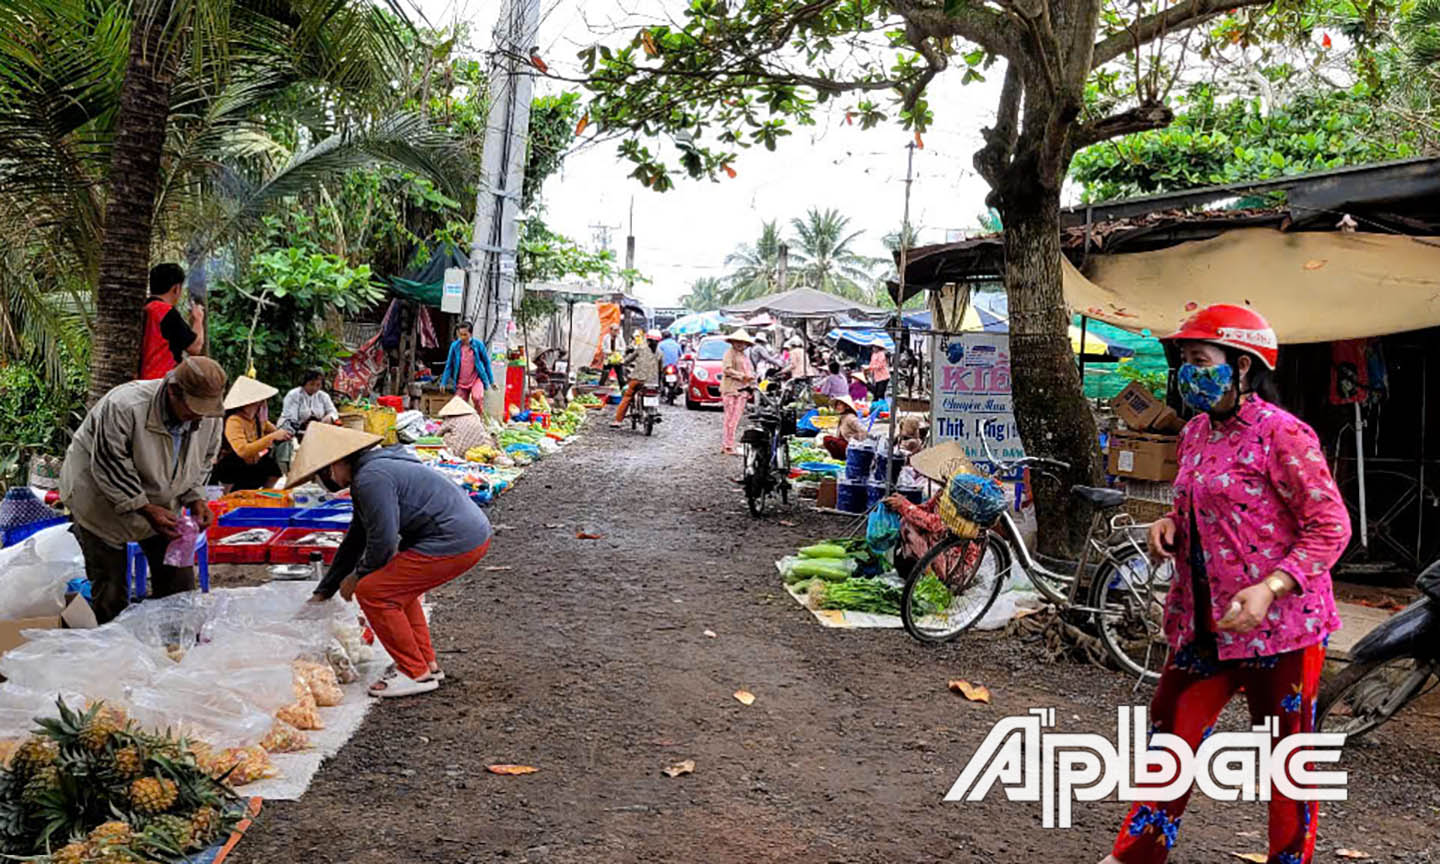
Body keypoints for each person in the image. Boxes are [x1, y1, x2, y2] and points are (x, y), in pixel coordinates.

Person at [1097, 304, 1349, 864]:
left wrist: (1272, 587)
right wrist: (1169, 524)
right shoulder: (1193, 434)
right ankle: (1134, 857)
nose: (1190, 372)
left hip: (1282, 632)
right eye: (1185, 360)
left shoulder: (1283, 435)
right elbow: (1193, 507)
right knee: (1172, 741)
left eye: (1200, 360)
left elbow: (1331, 526)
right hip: (1203, 626)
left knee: (1287, 762)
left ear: (1242, 367)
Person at [296, 423, 492, 698]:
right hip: (467, 534)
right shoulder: (377, 468)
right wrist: (324, 591)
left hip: (453, 539)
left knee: (375, 592)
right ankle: (426, 664)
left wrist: (358, 577)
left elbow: (384, 541)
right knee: (399, 590)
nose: (327, 480)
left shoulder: (370, 478)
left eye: (324, 472)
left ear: (338, 463)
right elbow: (358, 537)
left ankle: (414, 672)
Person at [60, 356, 227, 624]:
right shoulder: (124, 406)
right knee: (111, 590)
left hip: (161, 500)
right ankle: (117, 654)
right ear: (172, 391)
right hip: (98, 498)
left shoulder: (208, 416)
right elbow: (109, 463)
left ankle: (175, 649)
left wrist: (195, 498)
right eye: (193, 409)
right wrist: (144, 507)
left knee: (179, 588)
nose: (198, 417)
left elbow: (204, 458)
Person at [883, 441, 984, 580]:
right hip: (944, 544)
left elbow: (936, 523)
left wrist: (906, 507)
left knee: (911, 528)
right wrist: (901, 505)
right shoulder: (943, 493)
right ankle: (923, 572)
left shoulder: (963, 498)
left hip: (958, 557)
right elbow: (926, 509)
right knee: (907, 522)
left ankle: (937, 577)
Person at [213, 376, 292, 492]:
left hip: (253, 463)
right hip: (234, 468)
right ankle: (225, 495)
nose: (263, 405)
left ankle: (265, 493)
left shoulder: (258, 419)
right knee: (232, 462)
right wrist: (271, 437)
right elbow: (242, 451)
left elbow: (274, 431)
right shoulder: (234, 421)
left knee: (273, 468)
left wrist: (285, 434)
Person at [139, 263, 205, 380]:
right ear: (176, 288)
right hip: (161, 380)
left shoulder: (145, 308)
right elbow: (194, 347)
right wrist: (198, 319)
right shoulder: (166, 312)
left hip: (141, 379)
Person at [439, 321, 495, 410]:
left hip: (476, 379)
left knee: (477, 398)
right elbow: (449, 366)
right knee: (458, 406)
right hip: (461, 383)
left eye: (465, 335)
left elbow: (486, 363)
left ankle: (478, 418)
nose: (462, 337)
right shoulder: (455, 346)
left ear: (470, 334)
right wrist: (443, 382)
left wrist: (491, 381)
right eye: (460, 334)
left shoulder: (478, 345)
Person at [719, 330, 756, 455]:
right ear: (733, 342)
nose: (740, 344)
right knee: (730, 419)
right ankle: (728, 445)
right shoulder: (729, 353)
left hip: (742, 390)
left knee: (735, 419)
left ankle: (729, 444)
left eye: (743, 342)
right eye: (737, 341)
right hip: (731, 390)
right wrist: (742, 376)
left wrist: (750, 380)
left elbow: (749, 371)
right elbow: (727, 369)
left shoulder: (744, 356)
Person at [614, 330, 662, 427]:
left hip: (637, 379)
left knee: (627, 396)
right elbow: (661, 369)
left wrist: (622, 362)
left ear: (647, 340)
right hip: (653, 381)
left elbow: (628, 359)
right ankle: (654, 410)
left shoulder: (640, 349)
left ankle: (618, 420)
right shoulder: (660, 353)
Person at [820, 396, 868, 460]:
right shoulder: (843, 417)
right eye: (837, 405)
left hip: (851, 445)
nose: (837, 407)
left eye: (840, 405)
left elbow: (863, 430)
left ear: (847, 406)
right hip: (845, 443)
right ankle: (839, 457)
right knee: (827, 438)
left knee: (828, 439)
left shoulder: (850, 417)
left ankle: (844, 457)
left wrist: (859, 445)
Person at [599, 324, 627, 388]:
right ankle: (601, 388)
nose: (616, 332)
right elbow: (603, 348)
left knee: (620, 376)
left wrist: (617, 351)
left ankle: (622, 390)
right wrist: (609, 352)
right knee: (604, 375)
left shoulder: (620, 337)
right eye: (615, 330)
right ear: (611, 330)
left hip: (617, 359)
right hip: (608, 358)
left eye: (617, 330)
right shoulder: (606, 337)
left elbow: (623, 347)